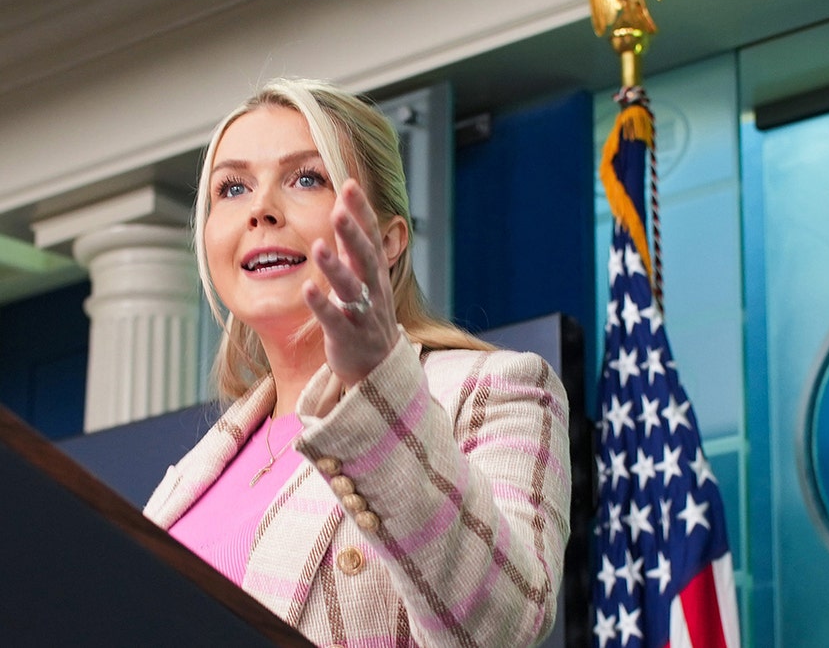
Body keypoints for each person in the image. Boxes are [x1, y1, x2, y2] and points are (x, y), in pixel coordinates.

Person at [143, 77, 570, 647]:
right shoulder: (189, 478)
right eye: (233, 187)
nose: (261, 209)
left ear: (388, 240)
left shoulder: (499, 391)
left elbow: (503, 627)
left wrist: (378, 393)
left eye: (306, 178)